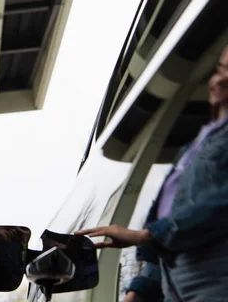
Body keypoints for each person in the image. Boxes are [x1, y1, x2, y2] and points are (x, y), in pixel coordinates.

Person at [77, 45, 228, 302]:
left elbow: (219, 207)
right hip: (176, 289)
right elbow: (168, 240)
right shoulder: (193, 147)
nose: (221, 79)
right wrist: (138, 292)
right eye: (220, 69)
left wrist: (146, 234)